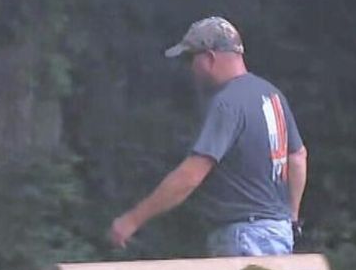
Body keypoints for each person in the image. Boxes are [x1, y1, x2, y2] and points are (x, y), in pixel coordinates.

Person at [107, 16, 308, 257]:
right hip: (278, 233)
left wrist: (132, 220)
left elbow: (190, 176)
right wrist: (291, 218)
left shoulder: (227, 103)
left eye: (192, 58)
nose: (191, 68)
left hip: (244, 238)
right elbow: (297, 157)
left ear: (210, 58)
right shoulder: (273, 95)